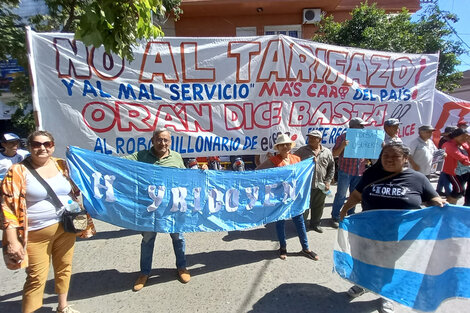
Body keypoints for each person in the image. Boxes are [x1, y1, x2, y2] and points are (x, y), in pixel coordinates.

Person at [339, 142, 446, 313]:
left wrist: (439, 203)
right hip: (369, 231)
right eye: (385, 156)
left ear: (405, 158)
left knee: (389, 265)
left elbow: (432, 198)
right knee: (364, 259)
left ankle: (386, 295)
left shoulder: (418, 178)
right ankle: (363, 284)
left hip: (399, 236)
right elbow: (357, 195)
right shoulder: (371, 174)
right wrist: (344, 209)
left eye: (394, 156)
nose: (389, 159)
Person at [1, 130, 90, 313]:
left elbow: (75, 188)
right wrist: (11, 240)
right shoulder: (17, 171)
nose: (42, 148)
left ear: (52, 146)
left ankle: (63, 306)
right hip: (35, 233)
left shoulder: (61, 165)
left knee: (64, 267)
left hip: (66, 227)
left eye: (46, 144)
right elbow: (7, 207)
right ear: (29, 147)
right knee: (36, 278)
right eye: (36, 144)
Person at [124, 128, 190, 291]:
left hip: (172, 206)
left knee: (178, 238)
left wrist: (200, 173)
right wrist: (90, 158)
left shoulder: (176, 157)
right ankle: (144, 273)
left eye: (166, 140)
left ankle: (182, 267)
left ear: (170, 142)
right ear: (153, 140)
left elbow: (185, 178)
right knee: (147, 240)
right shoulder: (140, 156)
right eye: (159, 139)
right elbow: (119, 163)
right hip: (149, 208)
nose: (162, 143)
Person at [256, 133, 319, 261]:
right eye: (282, 145)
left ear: (290, 146)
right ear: (278, 147)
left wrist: (311, 162)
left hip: (294, 197)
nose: (285, 146)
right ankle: (283, 248)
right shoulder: (273, 161)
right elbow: (258, 172)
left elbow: (302, 174)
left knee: (300, 221)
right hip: (280, 197)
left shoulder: (296, 159)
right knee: (280, 222)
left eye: (287, 144)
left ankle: (306, 248)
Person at [330, 117, 368, 228]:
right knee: (341, 195)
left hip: (359, 171)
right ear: (353, 127)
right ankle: (335, 216)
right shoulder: (342, 137)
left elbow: (369, 153)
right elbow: (334, 154)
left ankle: (351, 215)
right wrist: (342, 145)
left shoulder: (365, 138)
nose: (363, 127)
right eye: (361, 126)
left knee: (354, 195)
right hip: (345, 171)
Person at [294, 130, 335, 233]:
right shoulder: (302, 151)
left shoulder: (327, 152)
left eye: (313, 138)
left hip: (321, 185)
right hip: (305, 185)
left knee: (319, 206)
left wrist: (328, 181)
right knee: (304, 207)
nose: (310, 139)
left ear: (319, 140)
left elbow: (331, 167)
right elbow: (293, 163)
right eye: (310, 137)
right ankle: (301, 226)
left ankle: (315, 224)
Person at [441, 128, 470, 204]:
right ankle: (447, 207)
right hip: (454, 172)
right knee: (458, 191)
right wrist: (467, 160)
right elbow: (462, 158)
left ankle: (467, 206)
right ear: (456, 136)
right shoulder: (448, 145)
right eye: (463, 136)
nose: (465, 138)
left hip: (466, 171)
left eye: (467, 136)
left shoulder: (463, 144)